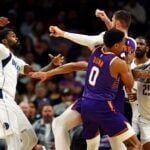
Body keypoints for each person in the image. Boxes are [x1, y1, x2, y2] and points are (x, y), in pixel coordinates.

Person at [31, 29, 141, 150]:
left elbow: (76, 65)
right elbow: (130, 84)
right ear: (117, 45)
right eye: (122, 43)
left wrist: (48, 73)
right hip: (105, 106)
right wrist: (128, 63)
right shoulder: (119, 63)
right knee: (133, 144)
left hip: (87, 104)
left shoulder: (96, 52)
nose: (124, 45)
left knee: (91, 142)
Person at [0, 27, 64, 150]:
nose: (16, 37)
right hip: (2, 98)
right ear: (4, 41)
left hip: (10, 102)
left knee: (30, 139)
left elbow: (36, 73)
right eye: (12, 36)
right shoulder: (2, 50)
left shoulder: (15, 60)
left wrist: (52, 65)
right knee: (12, 139)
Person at [129, 37, 150, 150]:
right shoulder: (127, 63)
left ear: (147, 48)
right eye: (136, 44)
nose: (138, 46)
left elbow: (138, 74)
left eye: (141, 44)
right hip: (129, 107)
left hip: (144, 110)